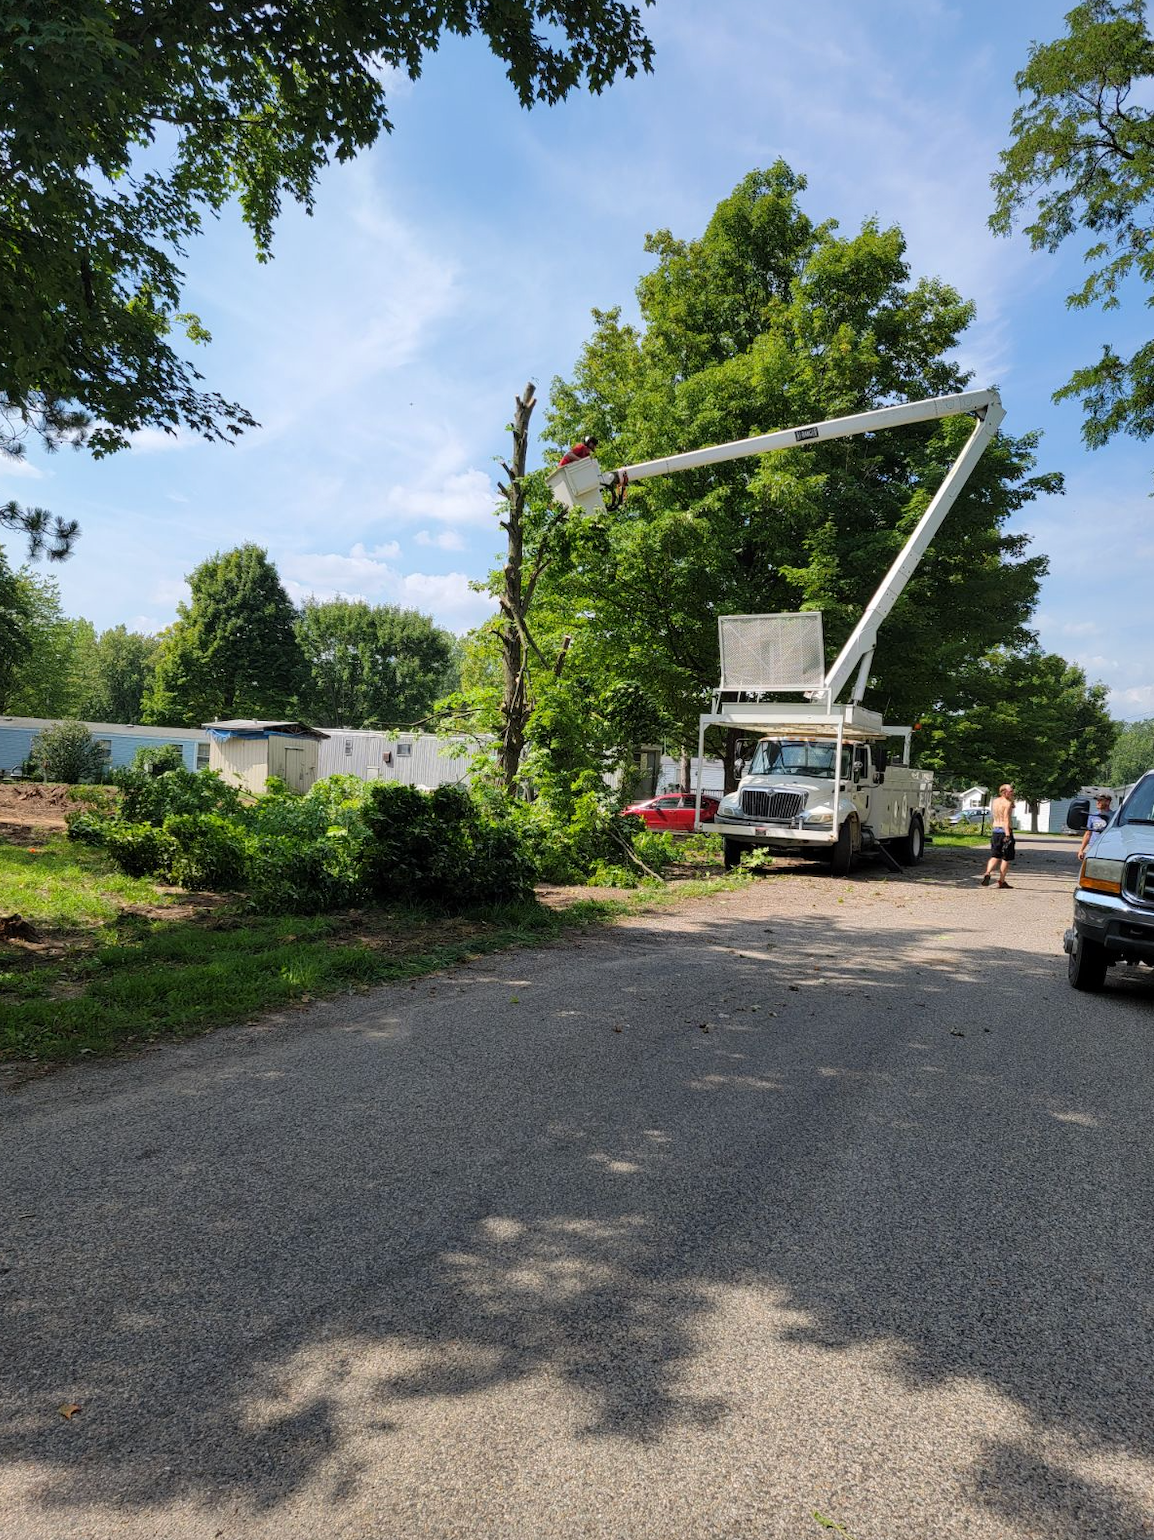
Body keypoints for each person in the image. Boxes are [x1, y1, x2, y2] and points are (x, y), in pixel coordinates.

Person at [981, 783, 1016, 888]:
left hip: (995, 831)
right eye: (1010, 791)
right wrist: (1008, 835)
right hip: (1005, 831)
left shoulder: (995, 801)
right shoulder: (1007, 804)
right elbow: (1006, 820)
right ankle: (1001, 881)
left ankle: (987, 872)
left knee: (995, 856)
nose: (1012, 792)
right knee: (1006, 857)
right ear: (1004, 792)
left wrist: (1011, 800)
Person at [1078, 793, 1114, 861]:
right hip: (1093, 848)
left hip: (1107, 849)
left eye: (1100, 800)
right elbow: (1088, 834)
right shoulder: (1093, 815)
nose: (1098, 802)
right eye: (1097, 800)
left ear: (1107, 802)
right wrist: (1081, 850)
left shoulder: (1114, 816)